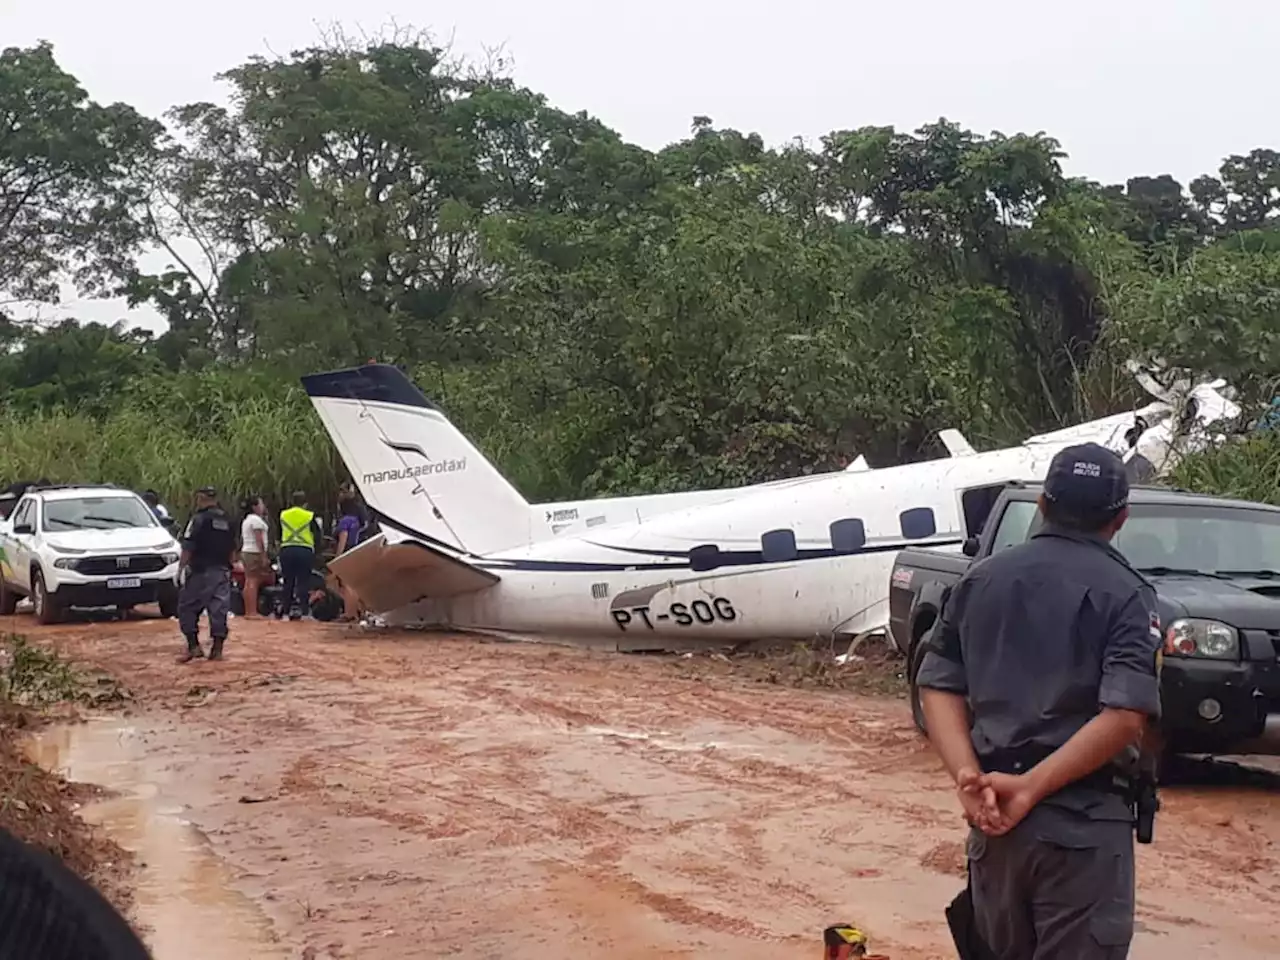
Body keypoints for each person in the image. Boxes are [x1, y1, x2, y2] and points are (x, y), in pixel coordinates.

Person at [917, 442, 1162, 960]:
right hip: (1082, 829)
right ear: (1120, 518)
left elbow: (937, 683)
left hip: (995, 823)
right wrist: (1030, 787)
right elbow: (1123, 717)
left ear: (1043, 506)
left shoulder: (981, 579)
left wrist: (967, 777)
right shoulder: (1127, 594)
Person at [176, 486, 236, 663]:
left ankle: (194, 647)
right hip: (222, 571)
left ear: (200, 499)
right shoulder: (227, 520)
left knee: (187, 607)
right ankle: (217, 650)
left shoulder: (198, 520)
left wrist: (180, 569)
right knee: (219, 610)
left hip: (200, 572)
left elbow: (188, 546)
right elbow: (233, 549)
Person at [278, 491, 321, 620]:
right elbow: (317, 534)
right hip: (304, 550)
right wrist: (317, 551)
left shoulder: (283, 515)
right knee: (303, 581)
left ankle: (285, 613)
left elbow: (279, 533)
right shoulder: (309, 515)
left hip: (287, 549)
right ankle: (305, 613)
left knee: (288, 582)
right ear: (305, 503)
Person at [332, 495, 364, 622]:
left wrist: (338, 556)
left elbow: (343, 537)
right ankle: (356, 611)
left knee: (346, 584)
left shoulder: (346, 521)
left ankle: (349, 613)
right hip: (356, 550)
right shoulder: (358, 520)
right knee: (354, 584)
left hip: (347, 551)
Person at [239, 496, 270, 619]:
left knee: (249, 581)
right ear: (254, 507)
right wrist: (263, 555)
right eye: (261, 504)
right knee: (253, 581)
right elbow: (259, 539)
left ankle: (249, 610)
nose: (263, 507)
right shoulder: (256, 521)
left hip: (247, 551)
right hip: (254, 553)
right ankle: (252, 612)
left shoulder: (247, 520)